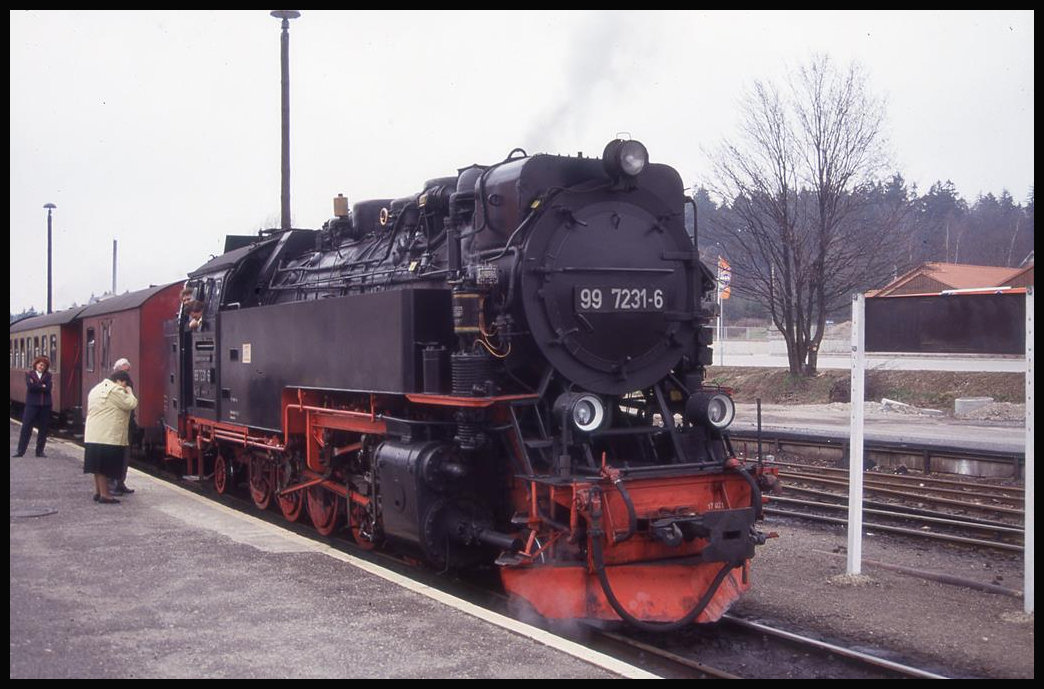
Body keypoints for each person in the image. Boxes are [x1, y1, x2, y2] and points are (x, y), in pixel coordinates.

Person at [83, 370, 138, 504]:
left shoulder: (96, 388)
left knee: (97, 466)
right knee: (105, 467)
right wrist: (130, 391)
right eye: (125, 384)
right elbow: (131, 404)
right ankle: (105, 495)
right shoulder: (115, 390)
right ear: (120, 381)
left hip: (93, 434)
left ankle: (98, 492)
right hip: (107, 435)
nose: (124, 387)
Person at [15, 356, 53, 457]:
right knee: (26, 427)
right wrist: (42, 386)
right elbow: (30, 387)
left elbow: (48, 388)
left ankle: (40, 451)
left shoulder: (49, 376)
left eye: (44, 365)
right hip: (31, 404)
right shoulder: (29, 374)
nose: (42, 367)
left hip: (45, 405)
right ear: (36, 365)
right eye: (40, 364)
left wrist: (38, 386)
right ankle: (20, 451)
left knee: (43, 428)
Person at [110, 358, 136, 495]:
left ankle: (121, 482)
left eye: (127, 371)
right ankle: (113, 484)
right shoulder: (113, 386)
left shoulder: (128, 383)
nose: (126, 375)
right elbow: (129, 403)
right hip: (116, 425)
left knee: (125, 455)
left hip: (127, 423)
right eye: (124, 371)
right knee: (116, 455)